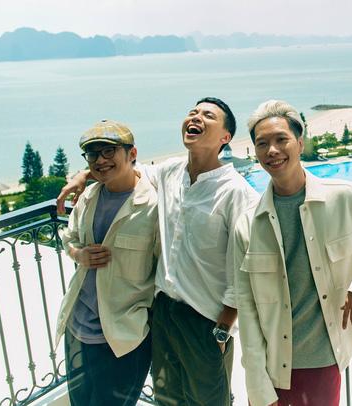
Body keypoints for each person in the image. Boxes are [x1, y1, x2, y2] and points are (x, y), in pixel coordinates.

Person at [57, 97, 259, 405]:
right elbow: (124, 168)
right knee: (168, 399)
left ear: (225, 137)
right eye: (192, 112)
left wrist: (222, 331)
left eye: (208, 115)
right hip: (163, 313)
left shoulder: (237, 193)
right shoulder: (170, 172)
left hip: (205, 319)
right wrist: (83, 175)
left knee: (208, 400)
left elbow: (244, 269)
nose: (196, 117)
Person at [233, 100, 352, 406]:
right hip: (273, 366)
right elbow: (247, 310)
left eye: (281, 139)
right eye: (262, 143)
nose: (272, 150)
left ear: (300, 143)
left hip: (322, 360)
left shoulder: (344, 197)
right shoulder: (247, 224)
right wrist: (257, 385)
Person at [55, 119, 158, 405]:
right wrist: (78, 255)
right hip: (79, 328)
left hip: (125, 335)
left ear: (132, 153)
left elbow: (164, 269)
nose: (100, 160)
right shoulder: (89, 196)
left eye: (109, 151)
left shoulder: (153, 206)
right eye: (93, 154)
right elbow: (69, 237)